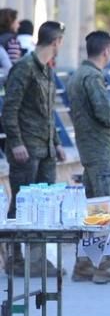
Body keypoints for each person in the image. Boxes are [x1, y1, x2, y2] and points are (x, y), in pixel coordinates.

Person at [2, 21, 66, 276]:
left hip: (45, 149)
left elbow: (48, 112)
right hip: (26, 150)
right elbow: (9, 109)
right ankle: (15, 259)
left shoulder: (46, 70)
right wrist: (15, 142)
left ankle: (38, 259)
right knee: (22, 204)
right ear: (56, 42)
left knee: (44, 208)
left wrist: (58, 144)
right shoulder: (24, 68)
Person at [66, 30, 110, 283]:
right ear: (107, 51)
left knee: (94, 210)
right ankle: (104, 265)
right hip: (101, 149)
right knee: (108, 207)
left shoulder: (76, 76)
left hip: (88, 149)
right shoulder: (92, 77)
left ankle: (84, 263)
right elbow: (105, 113)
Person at [0, 8, 21, 75]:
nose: (18, 25)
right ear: (10, 22)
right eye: (16, 21)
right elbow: (13, 65)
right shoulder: (13, 41)